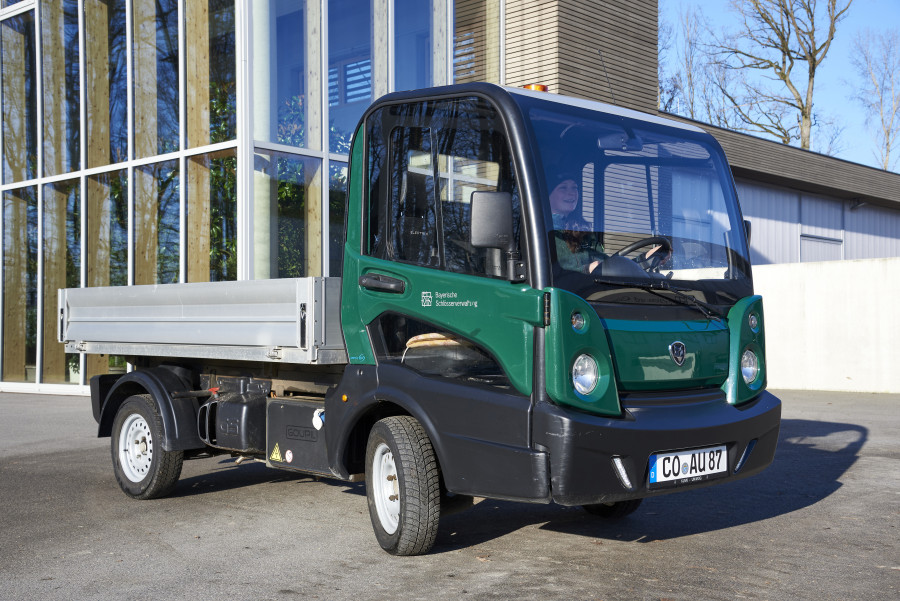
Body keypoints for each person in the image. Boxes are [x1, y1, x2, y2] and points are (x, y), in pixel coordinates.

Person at [548, 171, 605, 274]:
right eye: (563, 188)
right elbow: (549, 273)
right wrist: (586, 269)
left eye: (574, 188)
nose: (571, 193)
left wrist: (638, 261)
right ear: (548, 194)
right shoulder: (543, 230)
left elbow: (604, 261)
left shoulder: (582, 229)